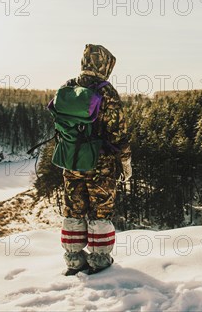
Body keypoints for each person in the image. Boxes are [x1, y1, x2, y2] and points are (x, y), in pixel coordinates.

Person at [57, 44, 132, 276]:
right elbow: (118, 132)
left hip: (72, 160)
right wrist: (126, 161)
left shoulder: (68, 87)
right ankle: (100, 260)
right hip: (101, 163)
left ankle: (73, 259)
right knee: (101, 210)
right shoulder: (106, 92)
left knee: (73, 208)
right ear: (105, 65)